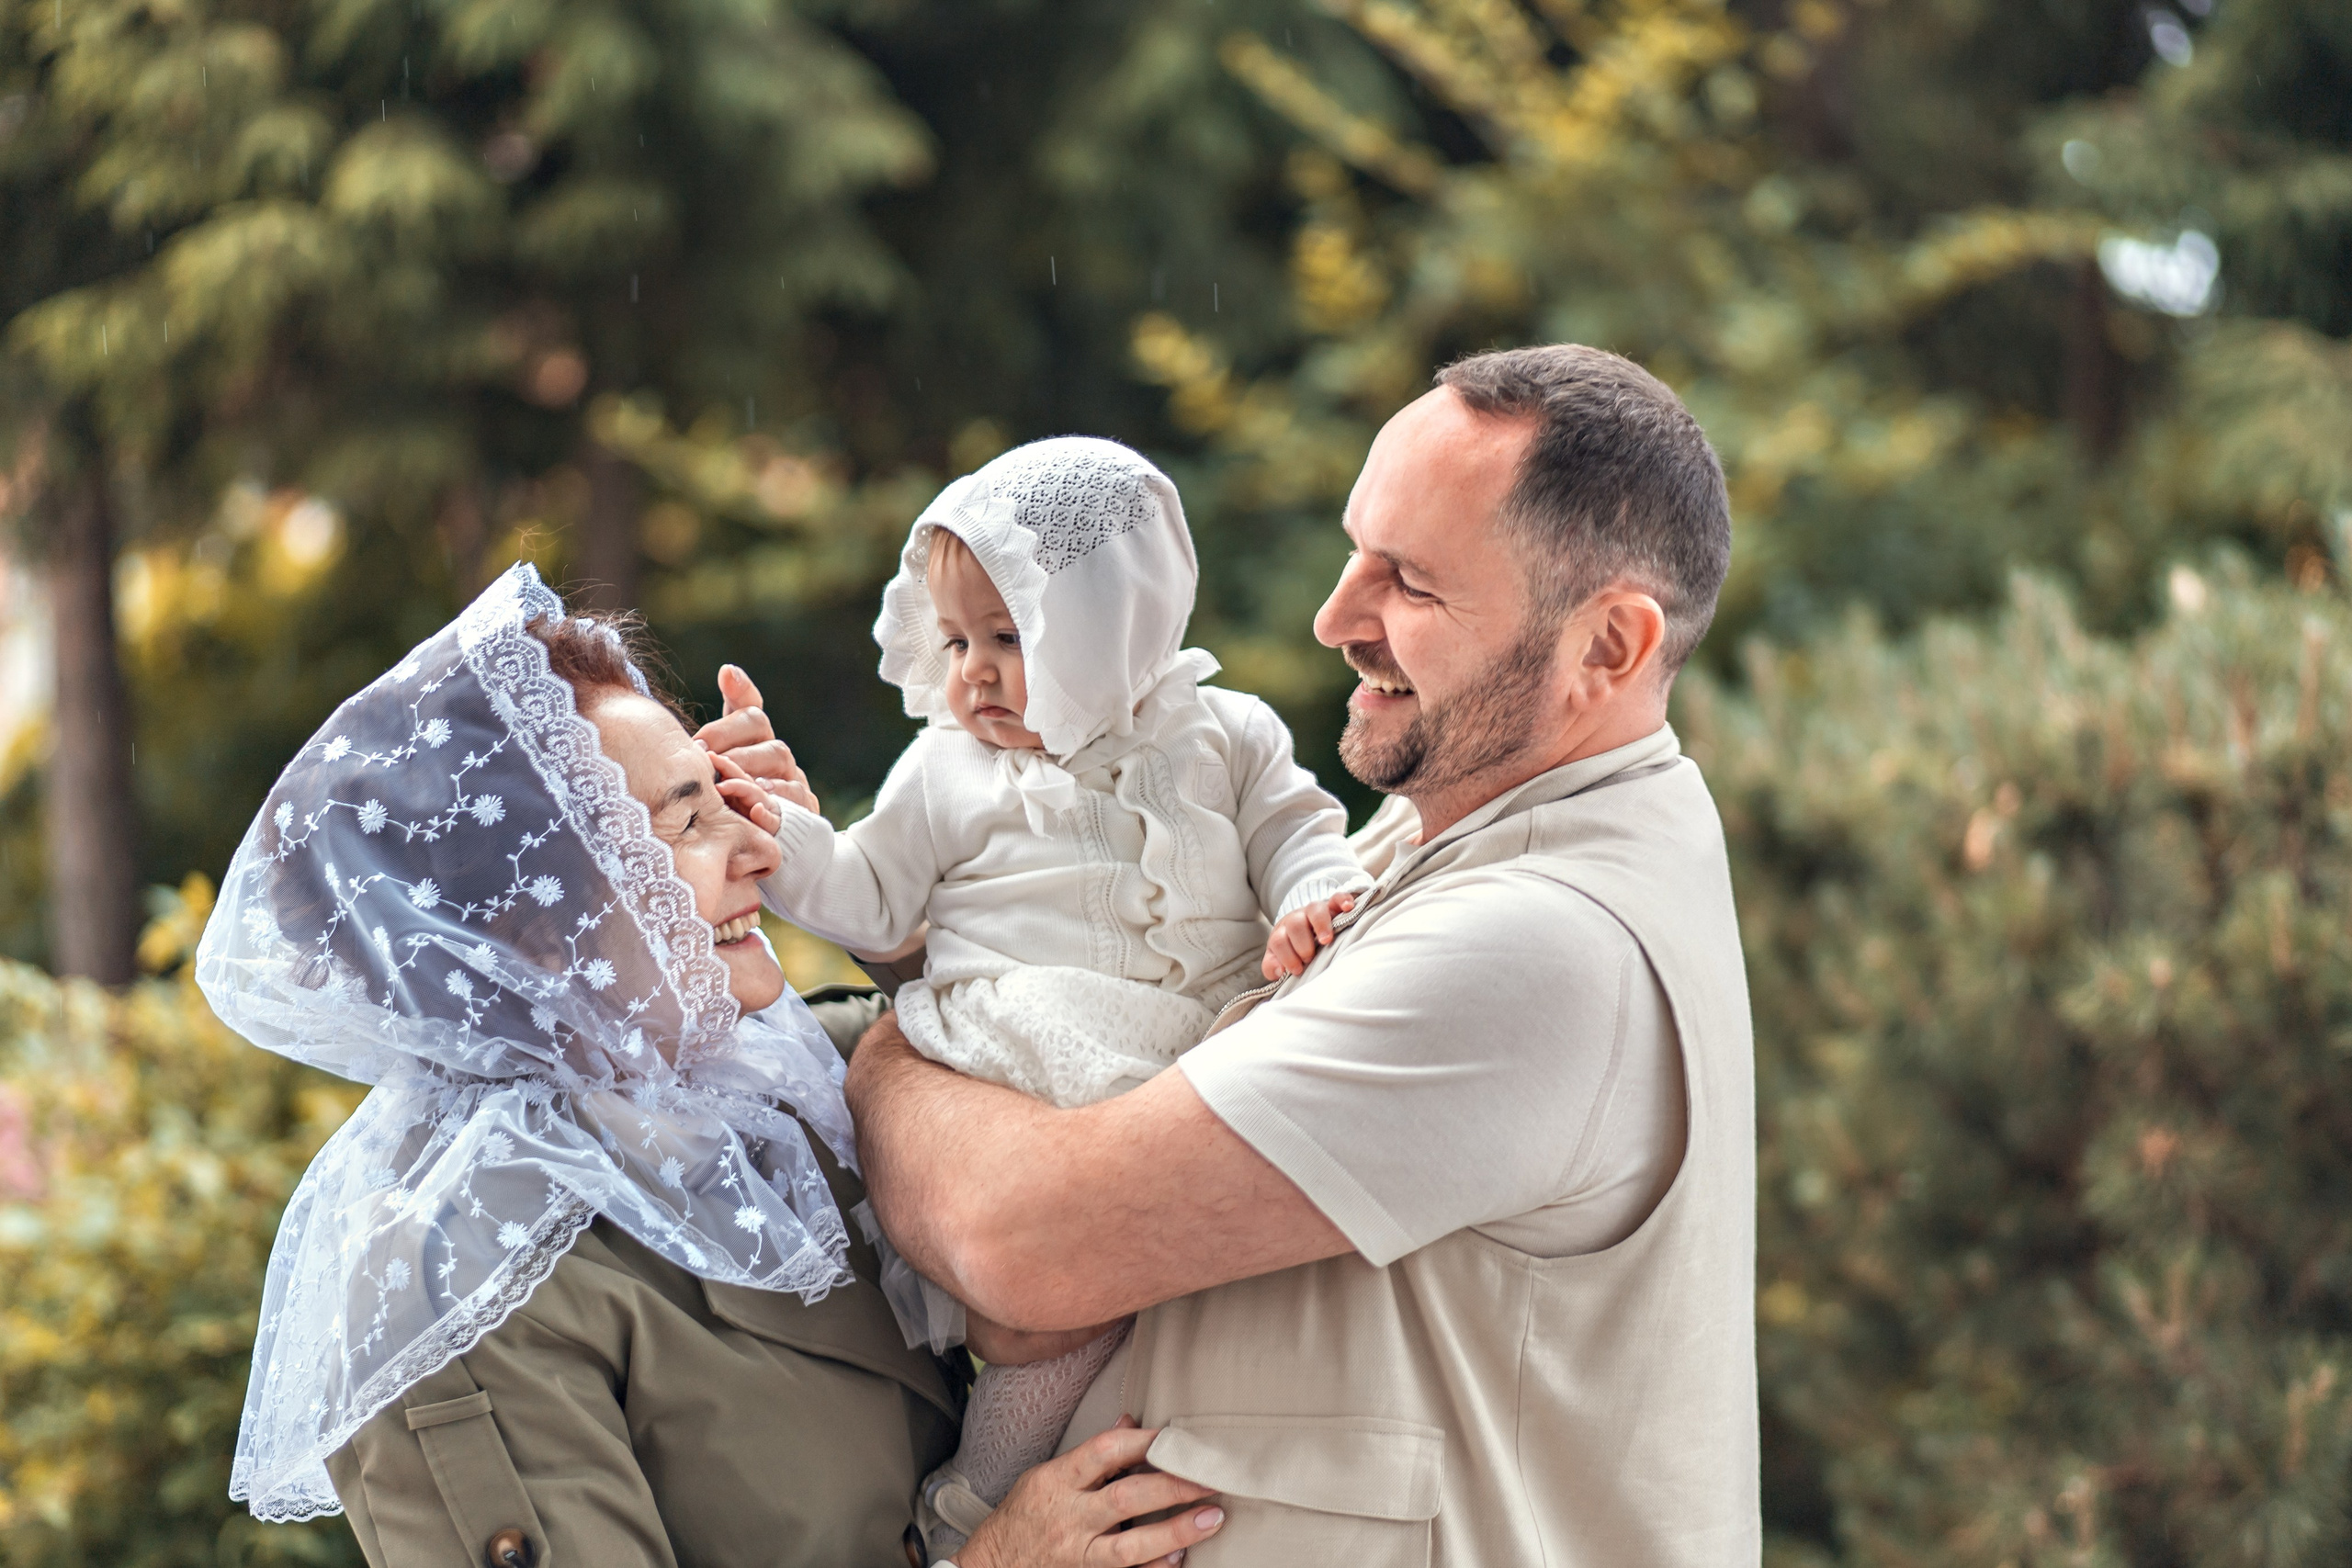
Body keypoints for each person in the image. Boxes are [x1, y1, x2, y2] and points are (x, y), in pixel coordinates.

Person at [716, 344, 1759, 1566]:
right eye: (1355, 546)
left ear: (1608, 647)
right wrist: (913, 918)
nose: (1334, 618)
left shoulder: (1538, 942)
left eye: (1411, 583)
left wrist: (898, 1040)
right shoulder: (1444, 837)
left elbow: (1020, 1239)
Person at [197, 564, 1226, 1568]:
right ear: (531, 928)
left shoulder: (799, 1081)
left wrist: (875, 888)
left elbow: (1076, 1044)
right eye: (685, 821)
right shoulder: (454, 1288)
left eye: (723, 798)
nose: (753, 849)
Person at [739, 436, 1369, 1555]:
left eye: (1007, 638)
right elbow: (871, 899)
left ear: (1112, 626)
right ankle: (974, 1512)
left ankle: (1141, 1486)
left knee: (1172, 1312)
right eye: (955, 642)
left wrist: (1313, 898)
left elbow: (1299, 835)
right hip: (1027, 1055)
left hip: (1193, 1044)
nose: (971, 672)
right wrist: (778, 833)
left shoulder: (1228, 734)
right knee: (1037, 1334)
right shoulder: (945, 769)